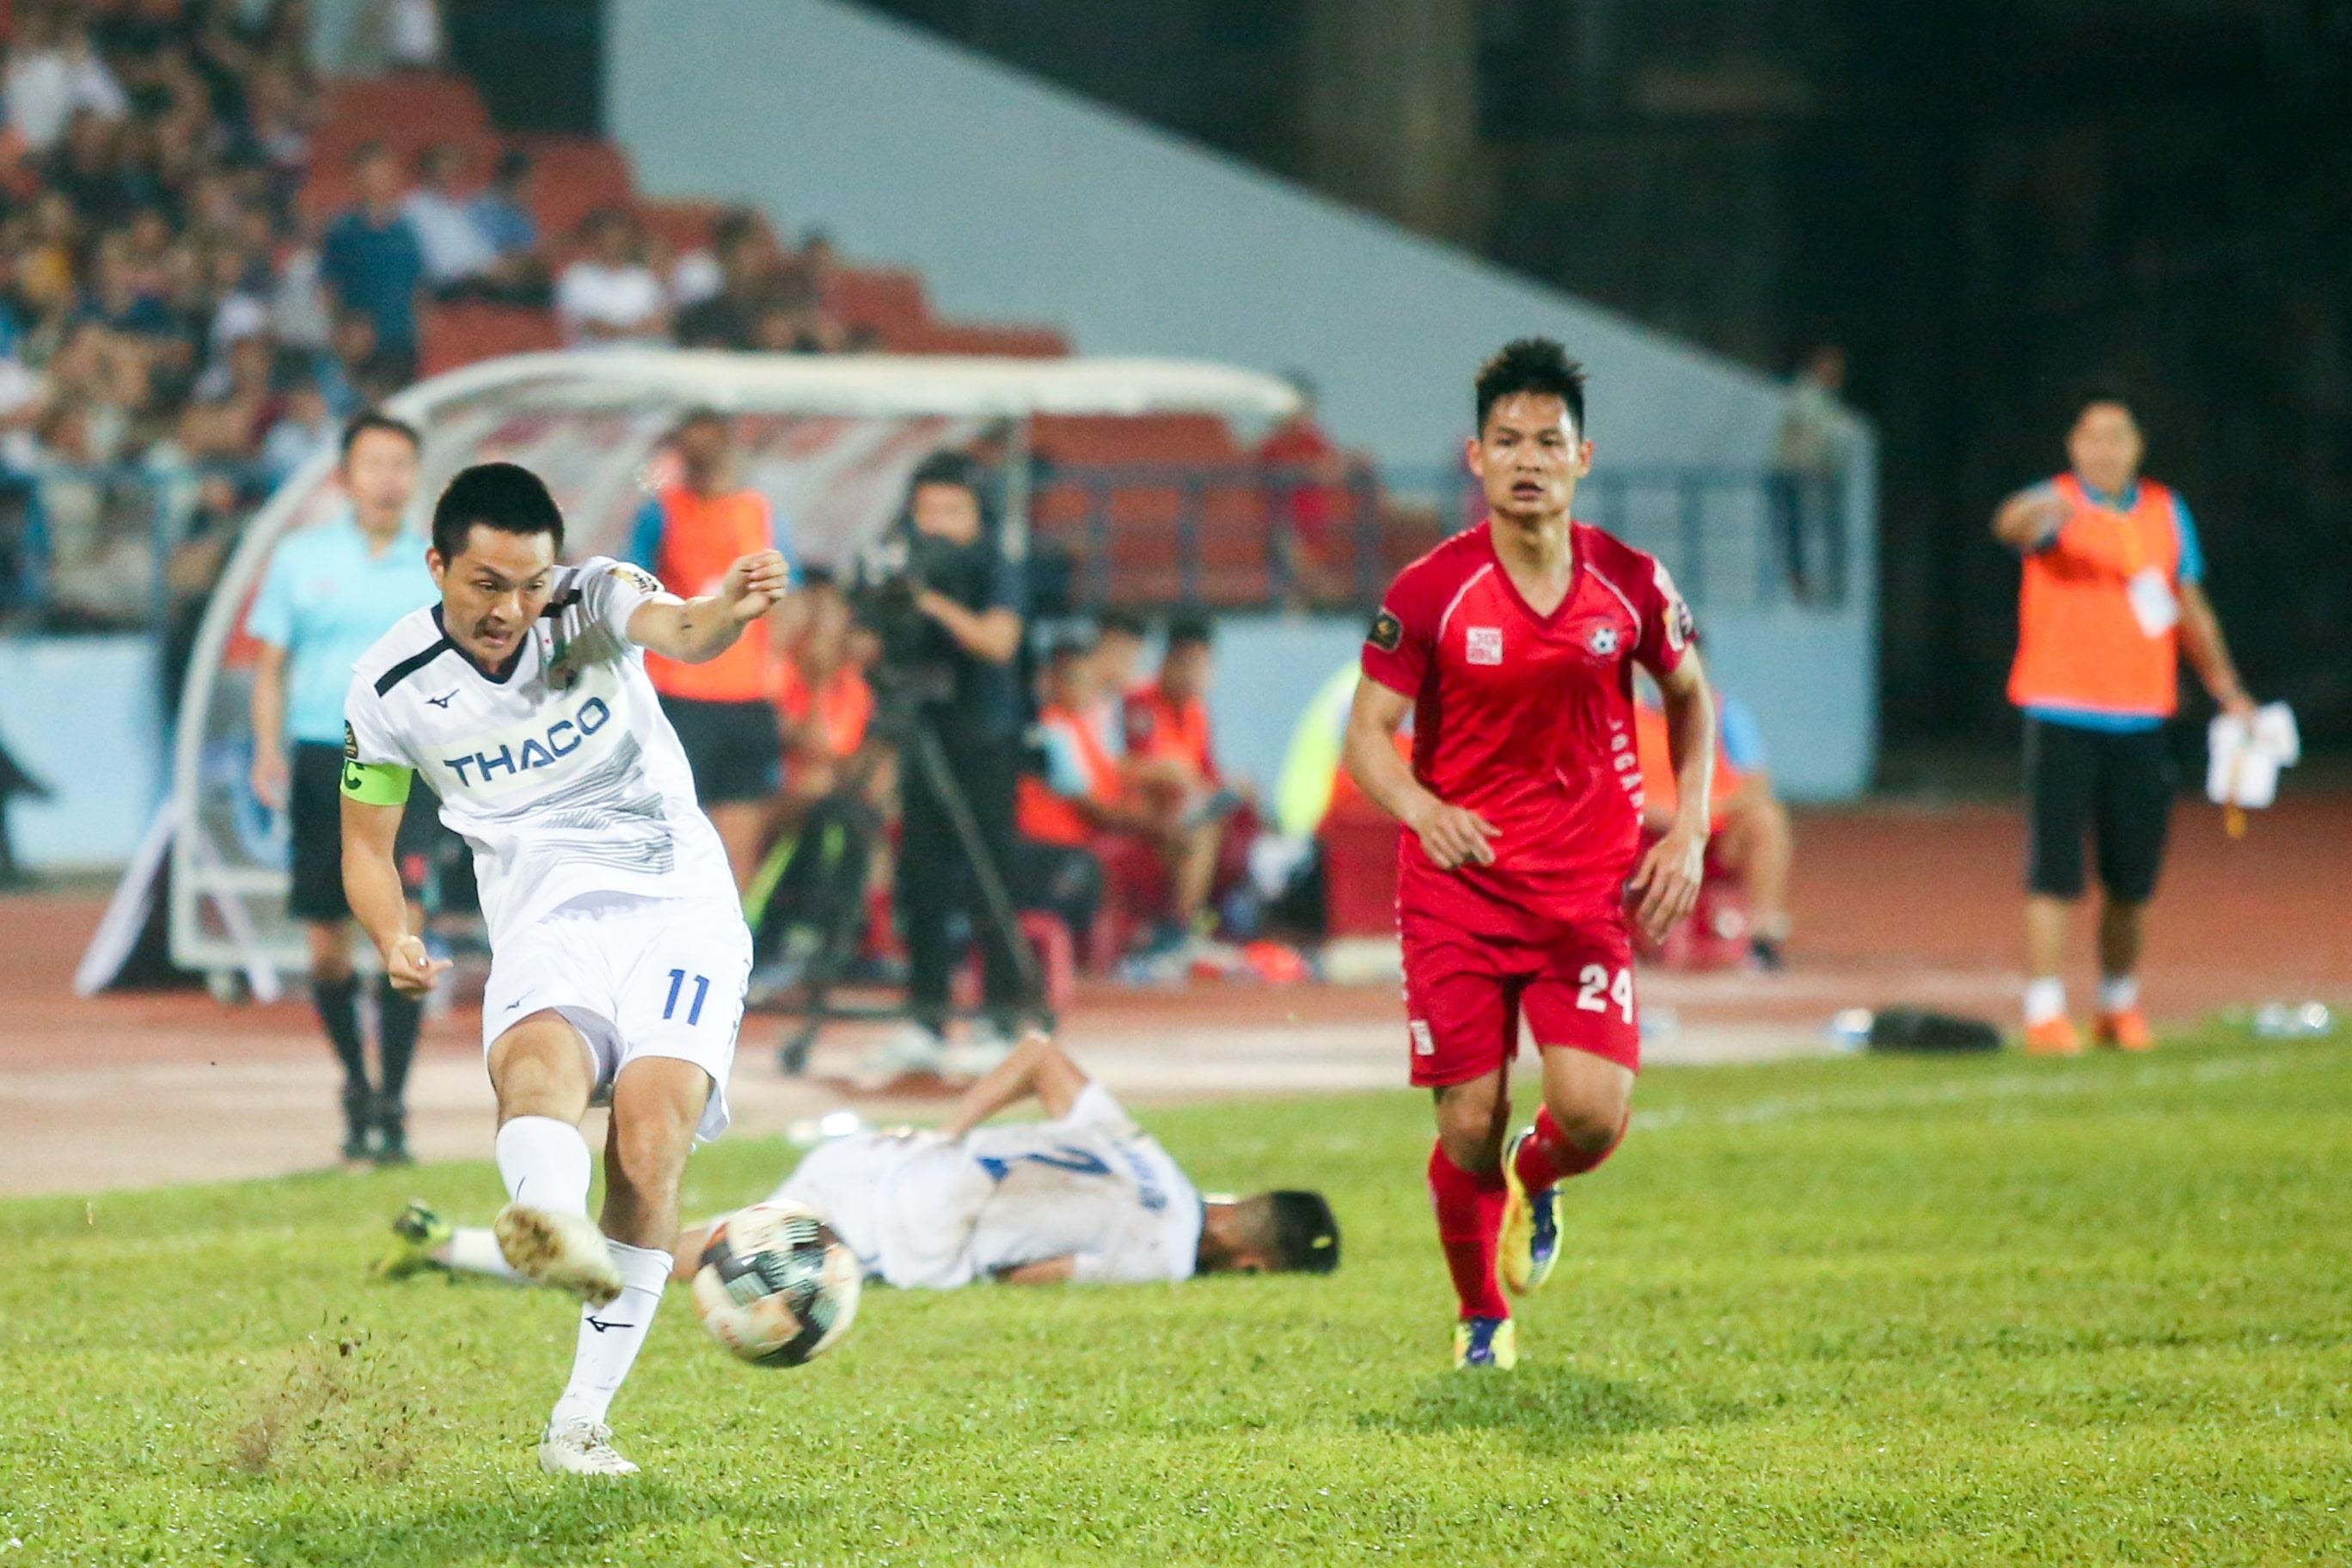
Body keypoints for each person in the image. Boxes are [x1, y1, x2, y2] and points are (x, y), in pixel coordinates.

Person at [338, 461, 786, 1477]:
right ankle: (547, 1218)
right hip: (545, 914)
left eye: (528, 583)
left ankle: (580, 1421)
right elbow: (367, 845)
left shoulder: (589, 599)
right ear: (438, 564)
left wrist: (730, 608)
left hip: (680, 905)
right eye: (488, 584)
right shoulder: (390, 685)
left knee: (649, 1137)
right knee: (536, 1071)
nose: (512, 608)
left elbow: (683, 631)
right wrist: (391, 934)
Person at [1341, 338, 1715, 1372]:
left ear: (1581, 461)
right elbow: (1367, 734)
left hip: (1587, 892)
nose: (1528, 459)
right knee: (1466, 1118)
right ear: (1476, 458)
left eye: (1550, 441)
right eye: (1508, 440)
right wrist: (1420, 808)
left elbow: (1690, 695)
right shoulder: (1431, 591)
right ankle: (1481, 1321)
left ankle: (1537, 1174)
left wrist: (1687, 827)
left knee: (1592, 1118)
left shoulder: (1630, 582)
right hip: (1459, 891)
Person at [378, 1032, 1339, 1291]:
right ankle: (457, 1247)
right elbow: (1045, 1276)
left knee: (663, 1249)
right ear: (1254, 1266)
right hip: (890, 1232)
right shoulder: (1168, 1253)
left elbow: (1040, 1054)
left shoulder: (1152, 1157)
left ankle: (448, 1242)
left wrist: (951, 1133)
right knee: (659, 1264)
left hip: (881, 1162)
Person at [1991, 392, 2256, 1056]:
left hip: (2142, 716)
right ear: (2073, 447)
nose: (2106, 449)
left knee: (2132, 876)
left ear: (2137, 446)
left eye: (2118, 437)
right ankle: (2046, 1010)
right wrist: (2036, 512)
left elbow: (2187, 601)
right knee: (2053, 871)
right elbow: (2012, 524)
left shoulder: (2166, 512)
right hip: (2062, 711)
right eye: (2093, 437)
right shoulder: (2057, 503)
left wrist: (2226, 686)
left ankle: (2117, 1004)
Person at [246, 412, 438, 1163]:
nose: (388, 476)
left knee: (405, 930)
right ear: (346, 476)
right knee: (327, 945)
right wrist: (267, 747)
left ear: (415, 474)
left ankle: (394, 1100)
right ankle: (354, 1083)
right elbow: (271, 666)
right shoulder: (301, 557)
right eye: (373, 462)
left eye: (401, 462)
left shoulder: (435, 564)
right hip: (325, 754)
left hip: (406, 759)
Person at [864, 452, 1032, 1084]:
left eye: (950, 512)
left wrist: (930, 604)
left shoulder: (995, 566)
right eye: (925, 510)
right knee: (921, 879)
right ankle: (927, 1017)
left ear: (976, 516)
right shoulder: (902, 566)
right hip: (921, 730)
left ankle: (1001, 1017)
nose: (934, 525)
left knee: (991, 878)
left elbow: (998, 641)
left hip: (984, 739)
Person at [624, 409, 784, 888]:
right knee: (671, 831)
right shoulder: (662, 511)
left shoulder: (757, 510)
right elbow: (630, 587)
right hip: (680, 693)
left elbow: (789, 594)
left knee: (739, 838)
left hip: (748, 695)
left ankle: (734, 950)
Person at [1635, 677, 1793, 970]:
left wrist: (1695, 816)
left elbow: (1755, 784)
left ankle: (1763, 940)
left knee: (1765, 820)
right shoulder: (1627, 717)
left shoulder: (1726, 715)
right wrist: (1655, 813)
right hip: (1648, 836)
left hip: (1711, 835)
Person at [1123, 614, 1246, 943]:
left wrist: (1232, 786)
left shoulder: (1197, 713)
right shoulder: (1137, 703)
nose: (1194, 675)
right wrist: (1168, 772)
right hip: (1141, 811)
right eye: (1186, 664)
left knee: (1234, 811)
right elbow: (1122, 769)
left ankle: (1209, 918)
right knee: (1199, 831)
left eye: (1202, 666)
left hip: (1183, 813)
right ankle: (1180, 929)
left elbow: (1208, 776)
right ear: (1167, 662)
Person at [317, 143, 425, 384]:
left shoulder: (407, 232)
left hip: (400, 342)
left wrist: (420, 339)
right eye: (370, 176)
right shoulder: (343, 231)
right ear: (357, 181)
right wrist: (340, 332)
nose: (378, 183)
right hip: (359, 345)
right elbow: (329, 287)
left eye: (383, 175)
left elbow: (418, 289)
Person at [1773, 346, 1849, 599]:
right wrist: (1810, 463)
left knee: (1804, 531)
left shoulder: (1821, 397)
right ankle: (1800, 584)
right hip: (1794, 472)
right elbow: (1798, 433)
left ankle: (1812, 583)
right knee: (1797, 531)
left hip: (1807, 474)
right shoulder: (1805, 395)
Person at [555, 207, 668, 347]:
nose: (615, 241)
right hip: (590, 363)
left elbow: (660, 325)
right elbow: (594, 328)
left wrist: (619, 330)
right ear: (595, 238)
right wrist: (636, 329)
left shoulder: (643, 278)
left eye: (621, 234)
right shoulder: (576, 277)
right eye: (609, 234)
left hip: (638, 362)